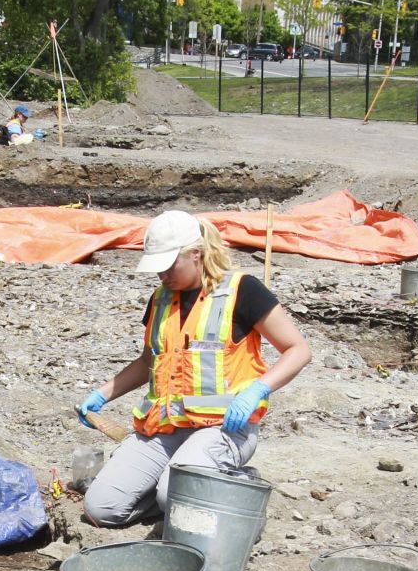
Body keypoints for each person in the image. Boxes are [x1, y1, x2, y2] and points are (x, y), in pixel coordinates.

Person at [76, 211, 312, 526]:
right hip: (168, 427)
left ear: (196, 254)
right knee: (101, 508)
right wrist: (103, 394)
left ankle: (223, 482)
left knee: (173, 496)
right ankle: (178, 484)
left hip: (225, 427)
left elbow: (298, 350)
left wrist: (258, 388)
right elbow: (150, 360)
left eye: (169, 265)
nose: (161, 275)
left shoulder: (242, 290)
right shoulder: (160, 299)